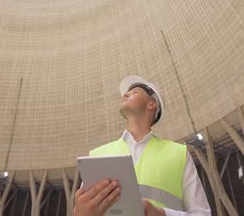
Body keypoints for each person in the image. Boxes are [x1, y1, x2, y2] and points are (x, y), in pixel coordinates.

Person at [74, 76, 211, 216]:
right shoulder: (97, 155)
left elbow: (202, 214)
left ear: (151, 104)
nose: (126, 94)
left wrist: (160, 213)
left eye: (135, 92)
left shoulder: (178, 153)